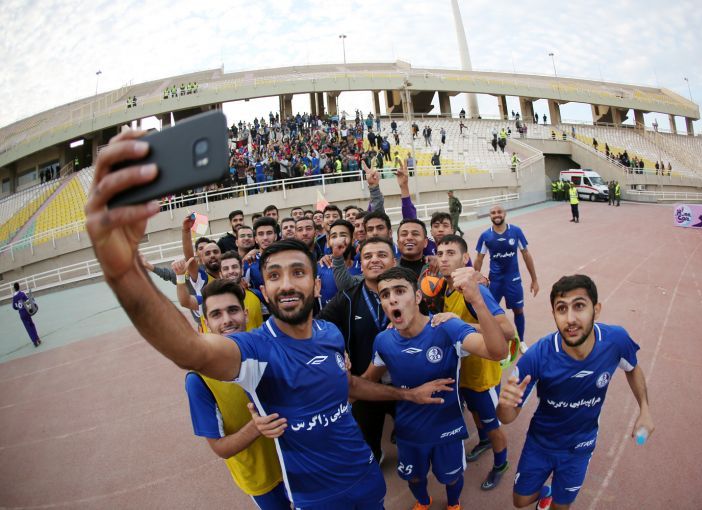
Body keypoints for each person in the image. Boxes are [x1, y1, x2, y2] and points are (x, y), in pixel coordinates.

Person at [84, 139, 453, 509]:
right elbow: (188, 349)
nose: (287, 283)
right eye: (275, 275)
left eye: (298, 272)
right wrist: (124, 270)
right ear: (263, 289)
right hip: (316, 498)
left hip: (366, 478)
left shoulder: (329, 333)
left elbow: (349, 385)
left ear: (316, 284)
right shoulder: (254, 350)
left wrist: (407, 395)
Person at [497, 274, 654, 509]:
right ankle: (547, 492)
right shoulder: (536, 357)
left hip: (580, 446)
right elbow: (507, 417)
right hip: (540, 443)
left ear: (596, 310)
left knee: (562, 507)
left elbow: (633, 369)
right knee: (520, 501)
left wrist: (645, 409)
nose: (570, 319)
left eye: (579, 306)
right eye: (562, 309)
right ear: (554, 314)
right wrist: (504, 405)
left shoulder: (616, 341)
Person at [362, 266, 509, 510]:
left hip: (447, 430)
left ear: (418, 296)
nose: (392, 299)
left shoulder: (446, 327)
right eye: (385, 295)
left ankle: (453, 504)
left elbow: (498, 351)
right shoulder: (383, 341)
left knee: (451, 478)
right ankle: (423, 502)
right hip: (409, 432)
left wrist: (477, 301)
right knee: (414, 478)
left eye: (400, 291)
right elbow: (367, 380)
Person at [185, 279, 289, 508]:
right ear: (206, 323)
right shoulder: (199, 380)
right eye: (216, 314)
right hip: (261, 479)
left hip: (298, 460)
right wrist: (257, 427)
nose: (227, 320)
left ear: (245, 313)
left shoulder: (271, 346)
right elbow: (220, 447)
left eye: (233, 310)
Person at [435, 235, 517, 491]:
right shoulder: (445, 287)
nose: (444, 258)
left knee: (493, 425)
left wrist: (460, 325)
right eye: (440, 253)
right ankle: (483, 441)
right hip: (464, 374)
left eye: (450, 253)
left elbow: (508, 330)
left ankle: (501, 464)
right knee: (475, 413)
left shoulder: (475, 290)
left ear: (465, 258)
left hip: (483, 375)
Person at [319, 236, 398, 462]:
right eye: (368, 256)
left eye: (382, 255)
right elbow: (318, 326)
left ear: (394, 261)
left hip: (405, 381)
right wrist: (337, 349)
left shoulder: (410, 293)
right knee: (368, 444)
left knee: (413, 435)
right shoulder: (347, 297)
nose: (375, 260)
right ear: (360, 264)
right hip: (365, 384)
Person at [474, 205, 539, 344]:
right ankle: (497, 341)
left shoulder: (515, 231)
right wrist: (474, 279)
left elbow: (526, 254)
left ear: (505, 213)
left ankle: (521, 341)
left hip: (513, 280)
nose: (496, 215)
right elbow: (479, 259)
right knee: (490, 314)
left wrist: (534, 280)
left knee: (518, 311)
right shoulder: (486, 236)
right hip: (495, 282)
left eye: (499, 212)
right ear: (490, 216)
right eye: (493, 213)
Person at [12, 282, 41, 347]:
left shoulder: (14, 297)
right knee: (32, 325)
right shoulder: (22, 293)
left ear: (14, 288)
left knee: (28, 328)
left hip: (21, 313)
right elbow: (28, 301)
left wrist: (19, 308)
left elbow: (14, 307)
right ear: (19, 287)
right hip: (27, 311)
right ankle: (38, 339)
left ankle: (35, 342)